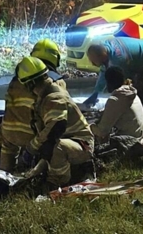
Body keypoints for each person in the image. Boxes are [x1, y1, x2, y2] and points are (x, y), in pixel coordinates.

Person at [16, 56, 95, 188]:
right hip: (70, 141)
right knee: (47, 148)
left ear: (30, 84)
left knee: (56, 146)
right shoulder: (46, 95)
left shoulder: (54, 98)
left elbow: (55, 128)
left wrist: (31, 148)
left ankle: (56, 183)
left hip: (81, 144)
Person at [0, 39, 66, 172]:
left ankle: (3, 179)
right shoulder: (55, 81)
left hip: (7, 130)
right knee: (57, 134)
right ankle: (44, 178)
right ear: (56, 58)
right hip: (31, 134)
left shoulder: (18, 77)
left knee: (7, 150)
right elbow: (59, 114)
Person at [83, 36, 143, 116]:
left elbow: (121, 82)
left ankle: (142, 124)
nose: (92, 63)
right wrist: (96, 93)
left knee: (140, 97)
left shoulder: (119, 59)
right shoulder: (105, 47)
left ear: (101, 56)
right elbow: (104, 72)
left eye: (93, 61)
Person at [92, 66, 143, 160]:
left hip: (131, 147)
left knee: (94, 149)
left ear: (108, 82)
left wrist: (87, 126)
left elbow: (102, 131)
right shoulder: (131, 93)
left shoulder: (115, 99)